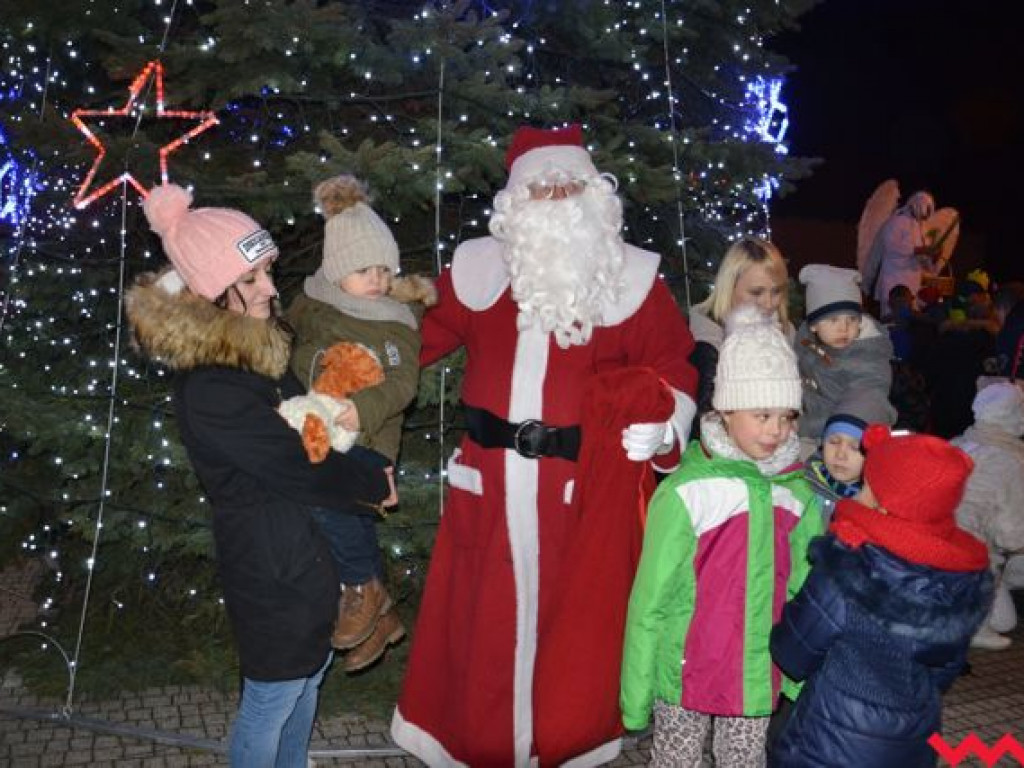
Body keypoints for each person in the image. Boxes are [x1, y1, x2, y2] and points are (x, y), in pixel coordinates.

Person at [391, 124, 699, 767]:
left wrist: (667, 424)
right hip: (490, 485)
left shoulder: (635, 280)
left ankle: (565, 741)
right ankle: (477, 746)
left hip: (580, 497)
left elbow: (675, 367)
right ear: (516, 199)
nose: (558, 197)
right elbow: (410, 342)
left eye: (570, 184)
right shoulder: (477, 270)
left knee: (573, 632)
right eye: (542, 185)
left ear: (595, 194)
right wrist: (349, 374)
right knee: (483, 632)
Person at [125, 184, 391, 768]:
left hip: (309, 552)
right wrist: (370, 484)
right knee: (273, 697)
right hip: (272, 566)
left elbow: (311, 429)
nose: (271, 288)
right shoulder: (212, 386)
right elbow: (294, 463)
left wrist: (369, 462)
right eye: (251, 280)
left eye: (267, 271)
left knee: (307, 683)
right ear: (208, 292)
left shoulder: (257, 353)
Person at [621, 305, 823, 768]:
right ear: (726, 410)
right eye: (762, 414)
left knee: (745, 761)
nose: (776, 430)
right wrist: (636, 691)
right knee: (676, 761)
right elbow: (651, 596)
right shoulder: (688, 493)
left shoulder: (794, 495)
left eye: (787, 416)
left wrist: (799, 669)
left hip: (756, 671)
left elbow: (805, 590)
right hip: (685, 674)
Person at [769, 427, 993, 768]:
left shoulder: (851, 565)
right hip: (912, 741)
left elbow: (793, 652)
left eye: (868, 483)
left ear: (882, 500)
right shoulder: (965, 577)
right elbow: (945, 670)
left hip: (829, 740)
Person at [285, 175, 435, 673]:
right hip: (319, 427)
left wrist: (362, 407)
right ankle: (381, 612)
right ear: (335, 270)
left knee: (331, 503)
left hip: (369, 435)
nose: (375, 279)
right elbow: (290, 351)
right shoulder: (313, 308)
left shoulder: (396, 321)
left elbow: (403, 385)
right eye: (362, 269)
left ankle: (361, 588)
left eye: (382, 269)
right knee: (334, 512)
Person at [688, 236, 793, 437]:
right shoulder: (706, 347)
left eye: (776, 291)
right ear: (729, 288)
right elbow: (706, 427)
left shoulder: (787, 333)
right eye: (756, 293)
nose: (769, 303)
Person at [951, 381, 1024, 651]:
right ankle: (973, 620)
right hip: (972, 558)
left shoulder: (957, 444)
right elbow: (1012, 536)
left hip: (932, 545)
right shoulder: (1012, 461)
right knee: (1004, 621)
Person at [794, 265, 896, 450]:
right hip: (811, 428)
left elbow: (864, 404)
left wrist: (802, 426)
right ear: (814, 325)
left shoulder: (868, 360)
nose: (844, 328)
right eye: (833, 320)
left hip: (848, 441)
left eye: (852, 319)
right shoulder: (806, 342)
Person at [804, 390, 893, 523]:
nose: (840, 454)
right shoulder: (800, 484)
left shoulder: (878, 508)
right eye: (834, 442)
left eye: (855, 447)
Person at [863, 190, 944, 318]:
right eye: (926, 209)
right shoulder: (896, 222)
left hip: (913, 282)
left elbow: (925, 261)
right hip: (894, 278)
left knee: (909, 318)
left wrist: (933, 257)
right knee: (891, 317)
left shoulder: (923, 228)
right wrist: (920, 250)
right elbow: (891, 246)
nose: (927, 214)